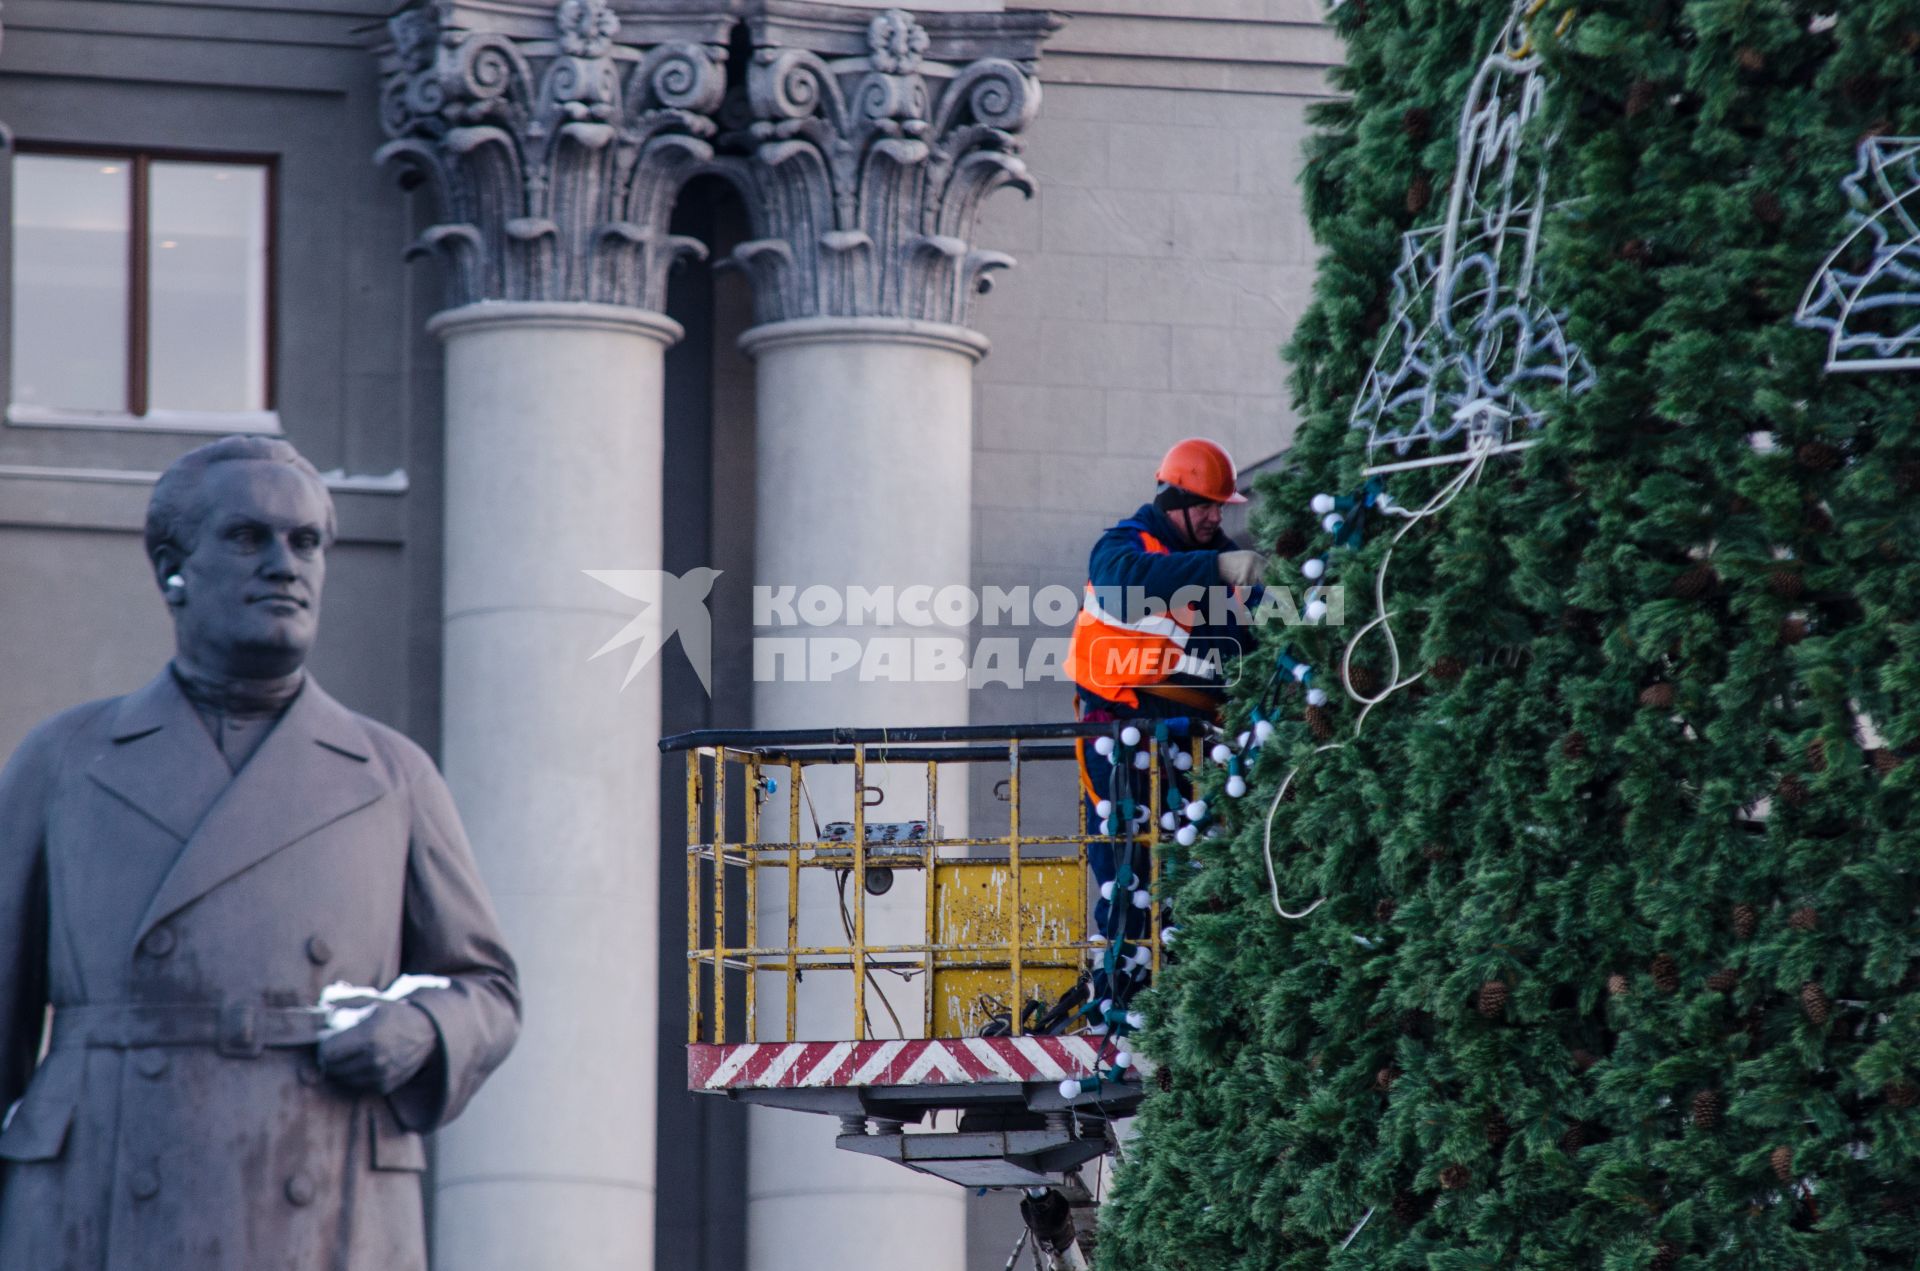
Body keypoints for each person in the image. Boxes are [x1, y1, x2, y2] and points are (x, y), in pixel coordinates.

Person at [0, 436, 520, 1270]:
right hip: (100, 1197)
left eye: (305, 541)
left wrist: (420, 1026)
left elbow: (487, 987)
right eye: (249, 537)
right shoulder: (64, 762)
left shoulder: (391, 774)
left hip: (326, 1186)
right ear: (173, 566)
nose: (286, 564)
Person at [1060, 438, 1265, 1009]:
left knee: (1188, 863)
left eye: (1219, 507)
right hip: (1116, 729)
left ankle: (1183, 991)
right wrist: (1217, 566)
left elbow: (1255, 628)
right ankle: (1123, 995)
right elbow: (1126, 584)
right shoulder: (1124, 545)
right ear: (1172, 500)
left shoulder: (1219, 562)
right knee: (1127, 864)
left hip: (1182, 734)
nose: (1214, 516)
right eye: (1204, 505)